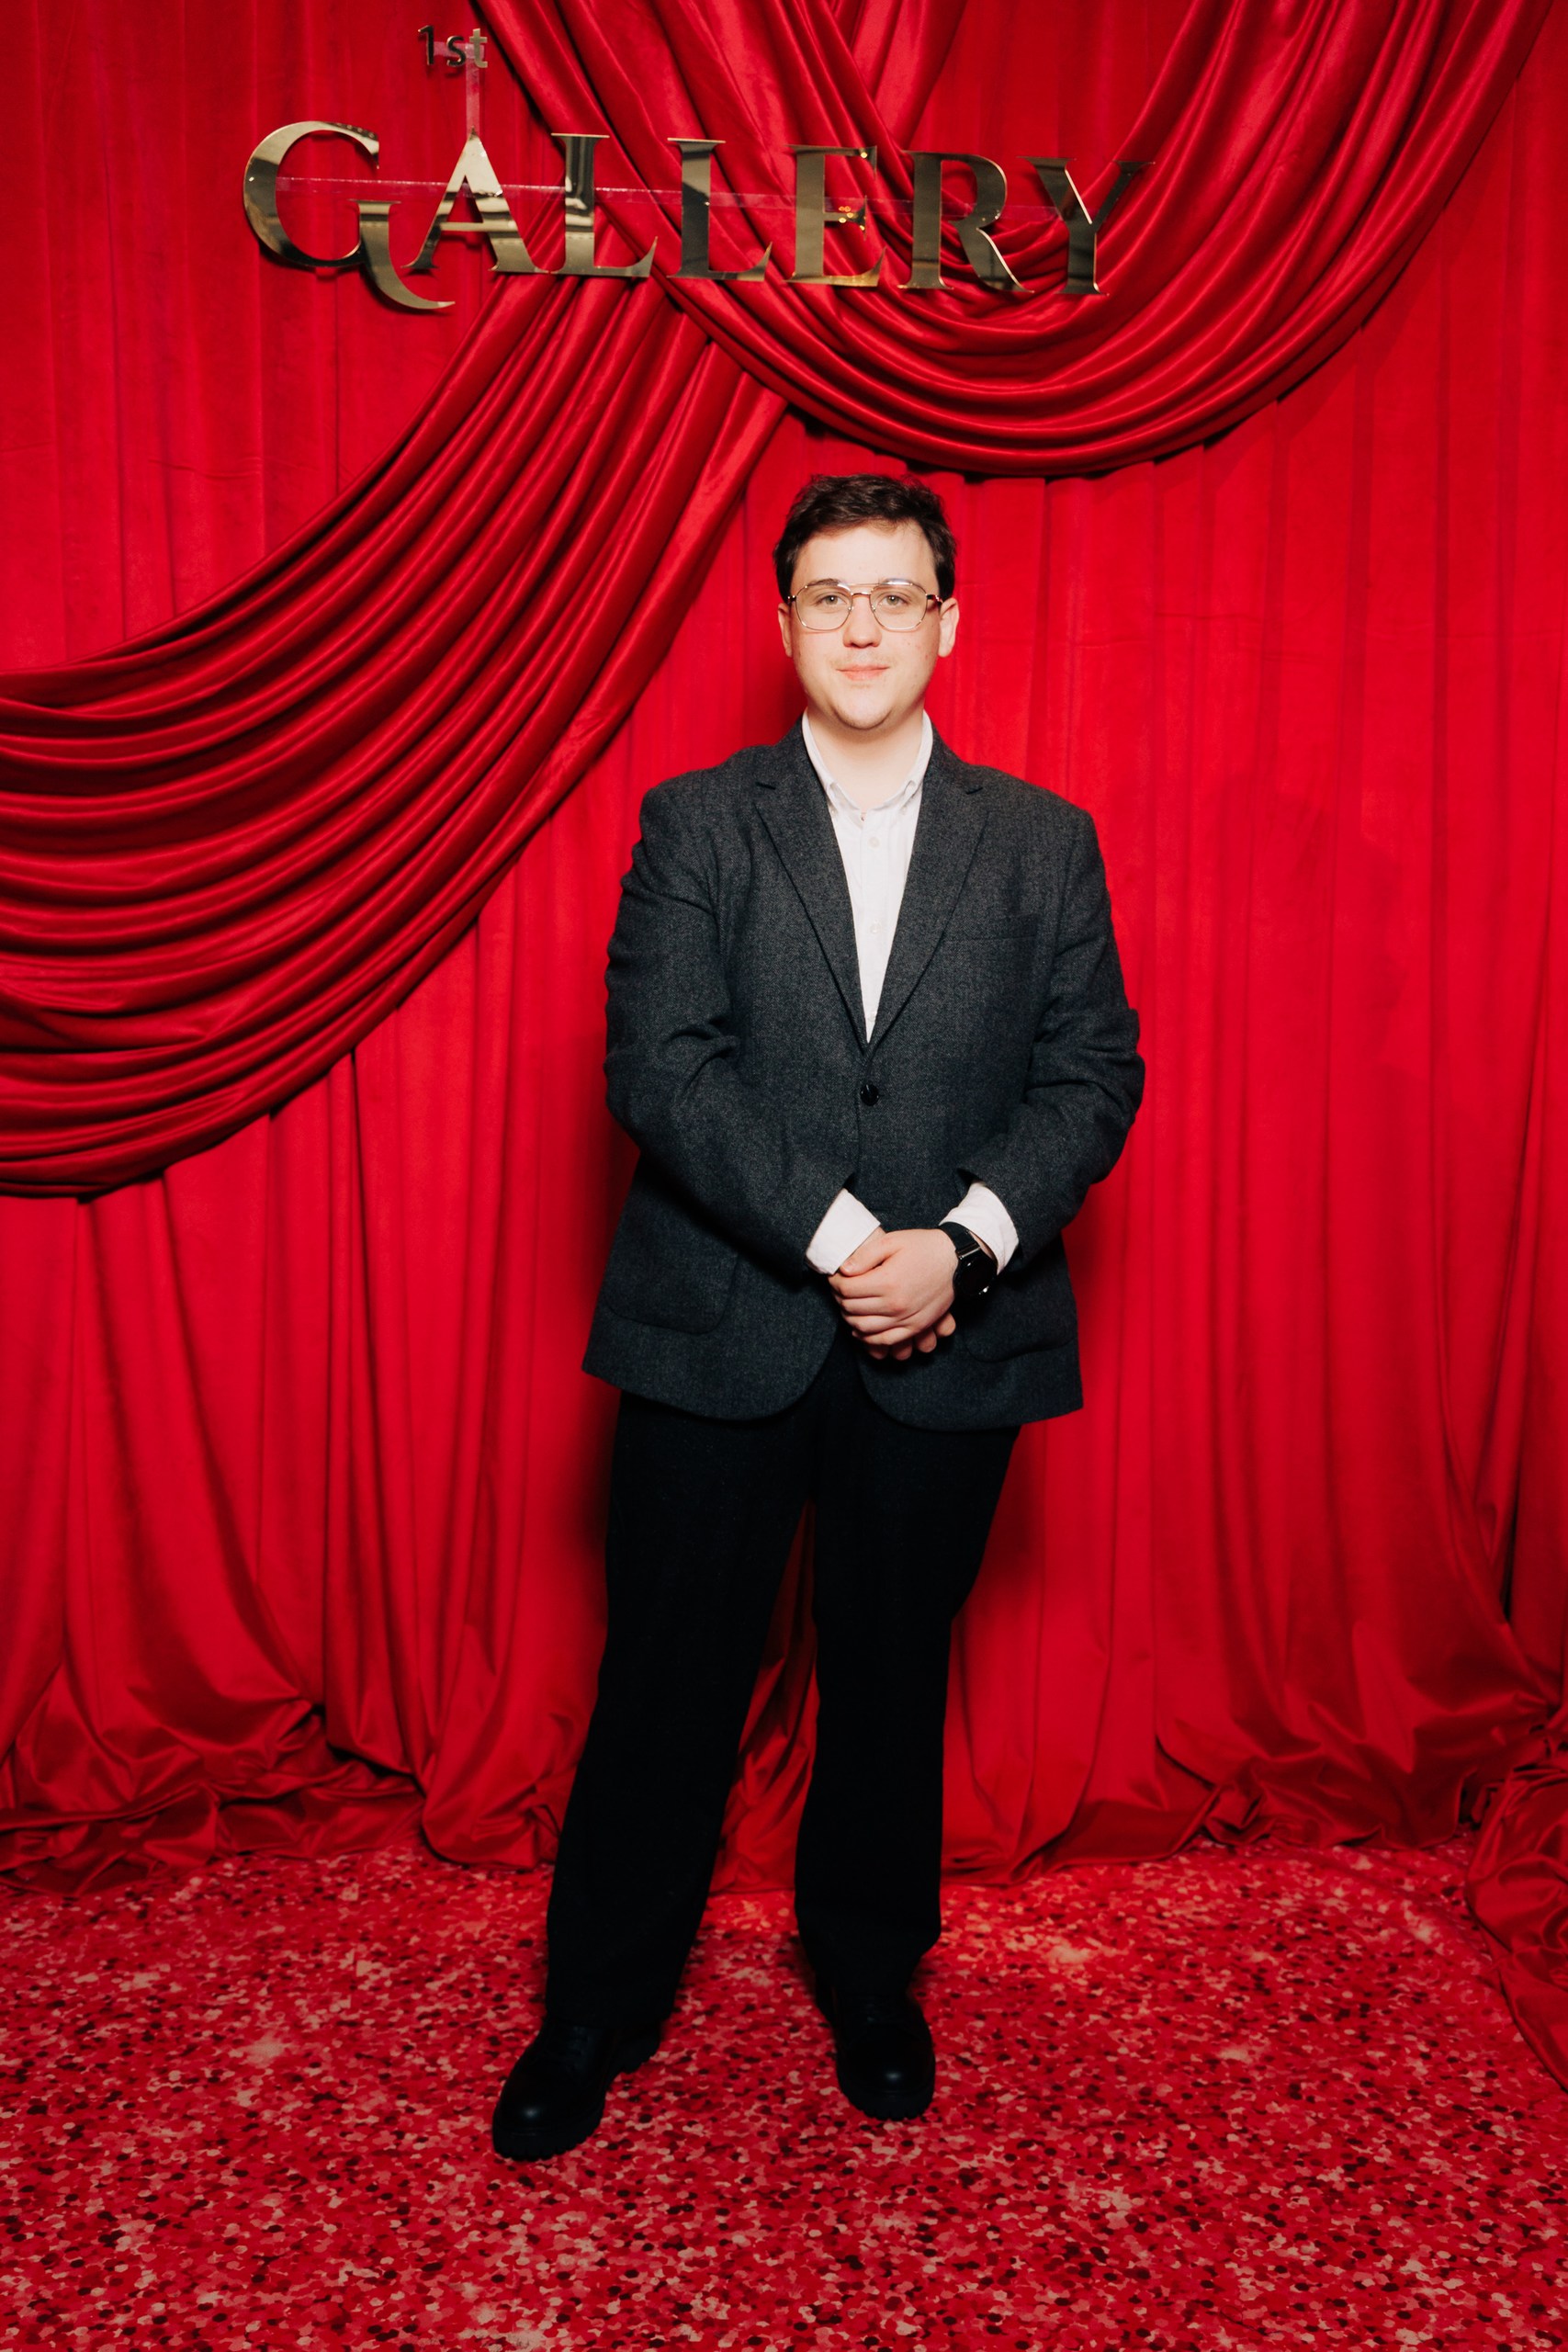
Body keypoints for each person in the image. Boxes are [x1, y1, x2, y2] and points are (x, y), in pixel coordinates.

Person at [491, 472, 1144, 2162]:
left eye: (894, 594)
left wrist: (966, 1249)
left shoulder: (1044, 841)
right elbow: (661, 1067)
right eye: (830, 596)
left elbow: (1093, 1075)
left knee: (891, 1671)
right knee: (667, 1674)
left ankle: (869, 1974)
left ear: (947, 622)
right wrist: (859, 1240)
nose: (863, 625)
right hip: (721, 1321)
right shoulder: (696, 824)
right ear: (784, 623)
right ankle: (598, 2003)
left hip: (955, 1338)